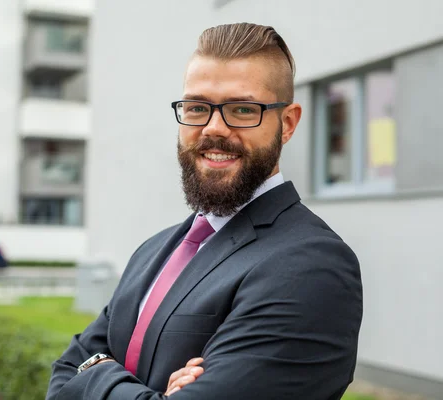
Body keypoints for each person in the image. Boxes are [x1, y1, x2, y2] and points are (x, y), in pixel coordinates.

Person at [46, 22, 363, 400]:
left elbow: (77, 378)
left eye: (243, 109)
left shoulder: (311, 265)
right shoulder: (155, 250)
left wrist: (98, 375)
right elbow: (63, 374)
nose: (214, 129)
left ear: (288, 123)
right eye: (197, 107)